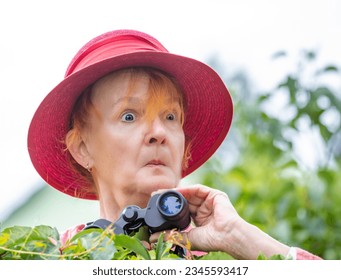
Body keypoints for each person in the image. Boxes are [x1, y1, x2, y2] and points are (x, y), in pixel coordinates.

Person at [27, 29, 321, 260]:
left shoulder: (220, 257)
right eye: (129, 116)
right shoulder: (52, 257)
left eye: (170, 116)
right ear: (82, 148)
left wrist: (241, 237)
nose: (159, 132)